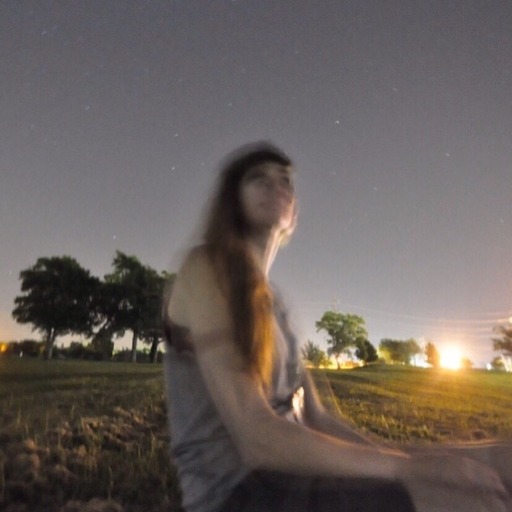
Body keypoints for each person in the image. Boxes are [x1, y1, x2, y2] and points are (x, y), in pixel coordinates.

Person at [162, 142, 510, 512]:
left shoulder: (275, 306)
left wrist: (403, 457)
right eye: (258, 178)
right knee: (462, 500)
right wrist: (407, 468)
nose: (276, 186)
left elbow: (316, 418)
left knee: (500, 461)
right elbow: (257, 438)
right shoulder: (205, 269)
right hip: (238, 492)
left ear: (293, 213)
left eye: (285, 181)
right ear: (232, 199)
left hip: (298, 472)